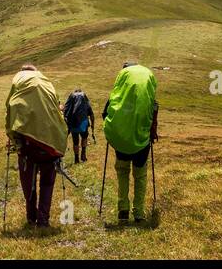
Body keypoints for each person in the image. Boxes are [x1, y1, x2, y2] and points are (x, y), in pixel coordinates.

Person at [4, 63, 68, 227]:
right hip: (50, 142)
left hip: (27, 144)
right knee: (47, 182)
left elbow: (10, 108)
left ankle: (31, 217)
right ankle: (43, 220)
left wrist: (12, 136)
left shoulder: (18, 81)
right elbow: (58, 108)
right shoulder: (47, 83)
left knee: (28, 182)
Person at [101, 61, 158, 223]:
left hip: (122, 141)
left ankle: (123, 211)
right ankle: (139, 212)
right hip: (142, 140)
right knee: (140, 175)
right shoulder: (147, 96)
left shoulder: (117, 95)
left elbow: (105, 115)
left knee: (123, 172)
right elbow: (153, 115)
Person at [62, 87, 95, 163]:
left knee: (75, 141)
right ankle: (83, 155)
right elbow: (92, 115)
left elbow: (66, 112)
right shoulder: (84, 99)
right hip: (83, 123)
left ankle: (76, 159)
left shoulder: (72, 99)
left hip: (73, 123)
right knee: (84, 138)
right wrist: (93, 126)